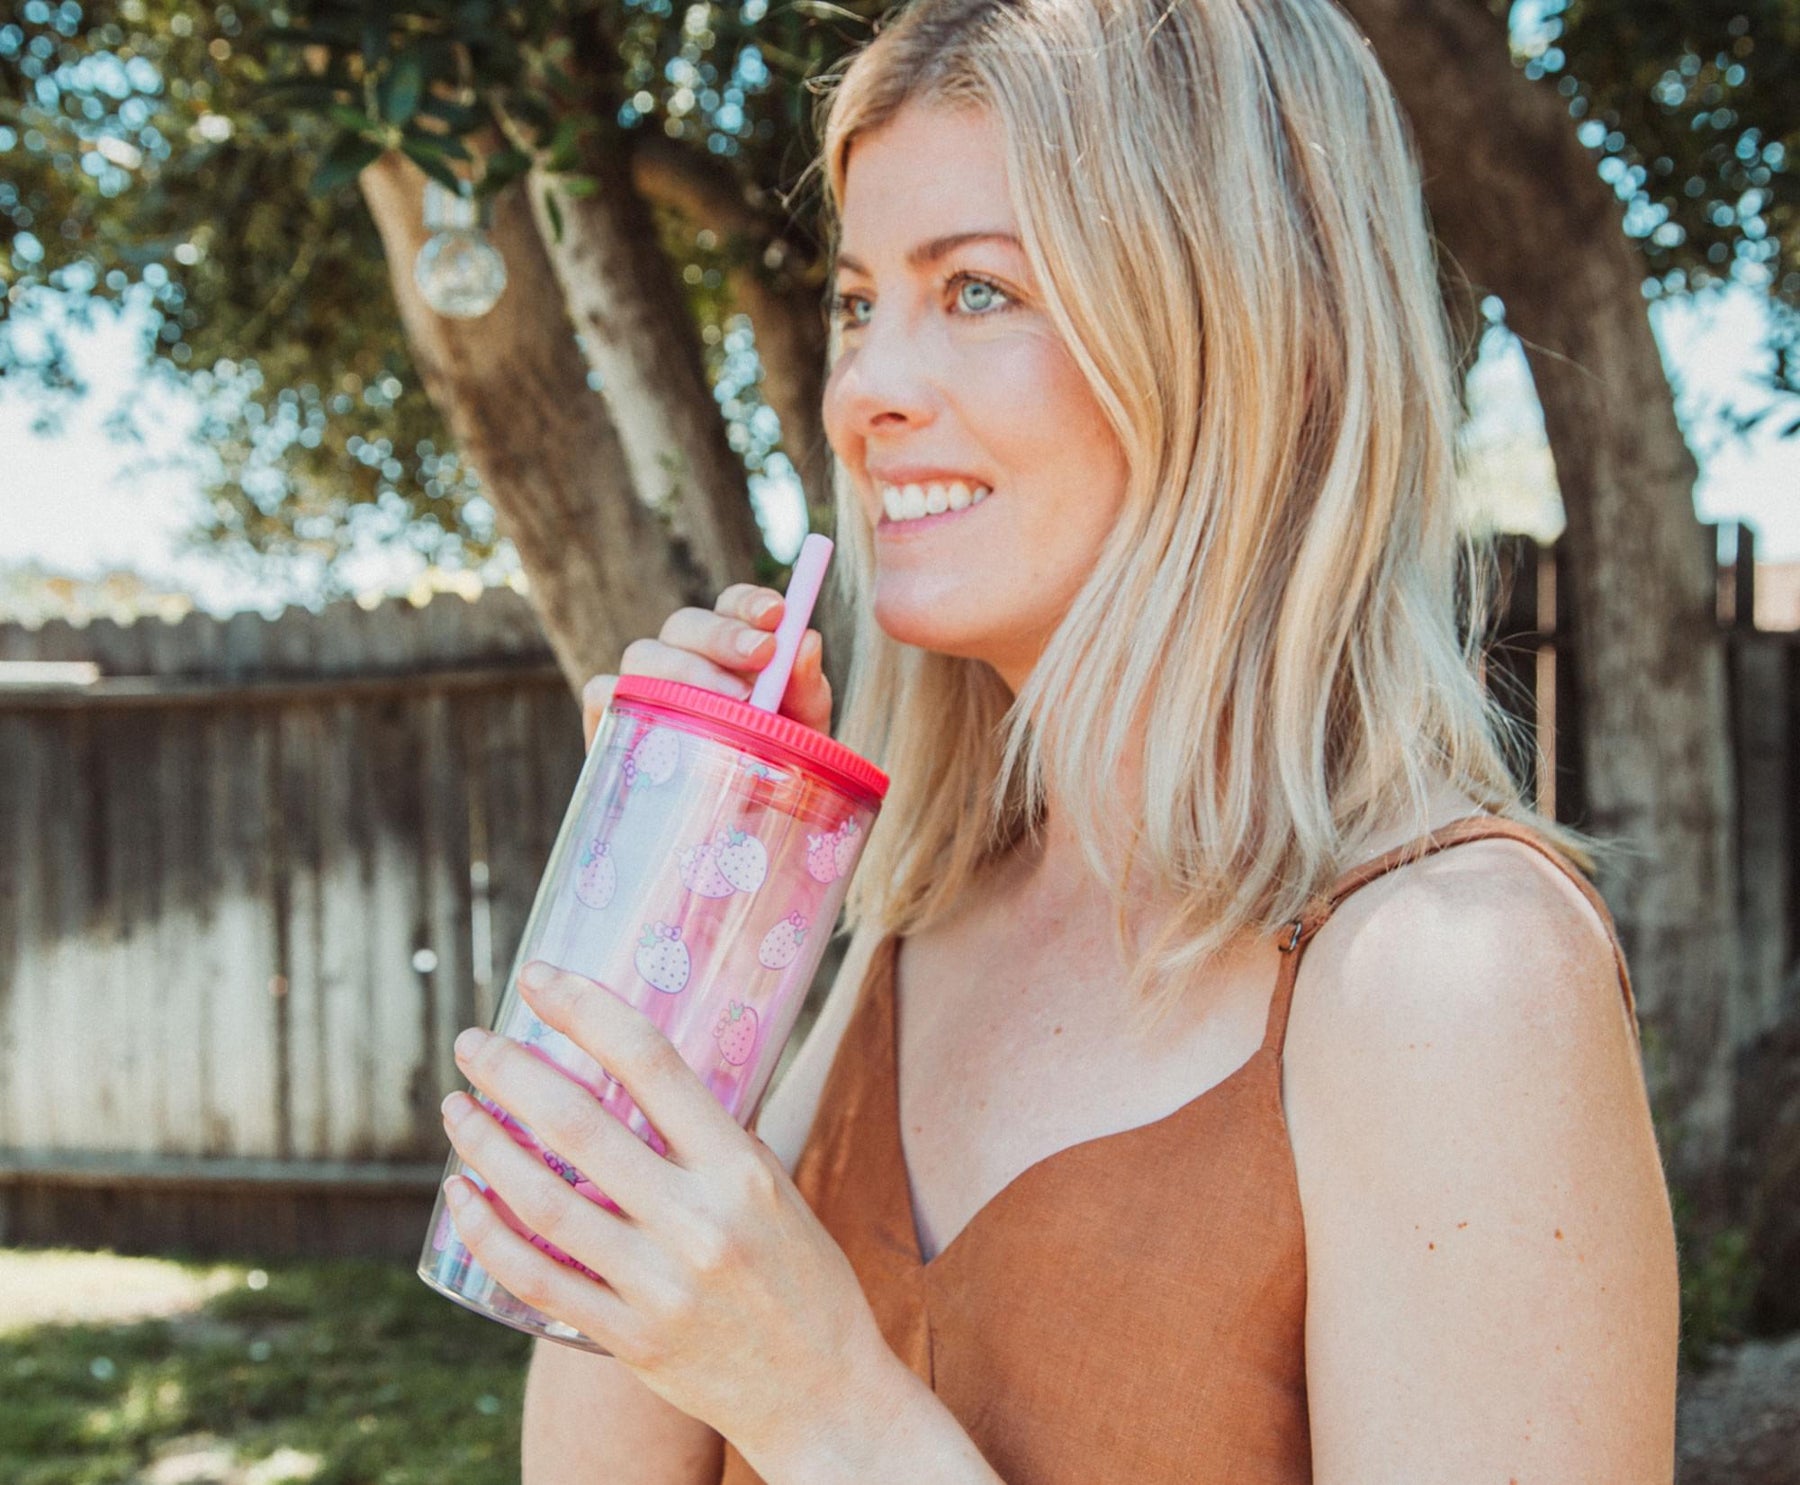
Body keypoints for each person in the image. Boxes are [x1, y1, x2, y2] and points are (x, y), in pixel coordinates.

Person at [434, 0, 1681, 1479]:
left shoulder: (1458, 978)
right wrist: (683, 940)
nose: (862, 394)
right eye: (857, 302)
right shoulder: (911, 934)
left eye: (975, 291)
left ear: (1241, 339)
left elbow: (799, 1409)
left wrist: (825, 1400)